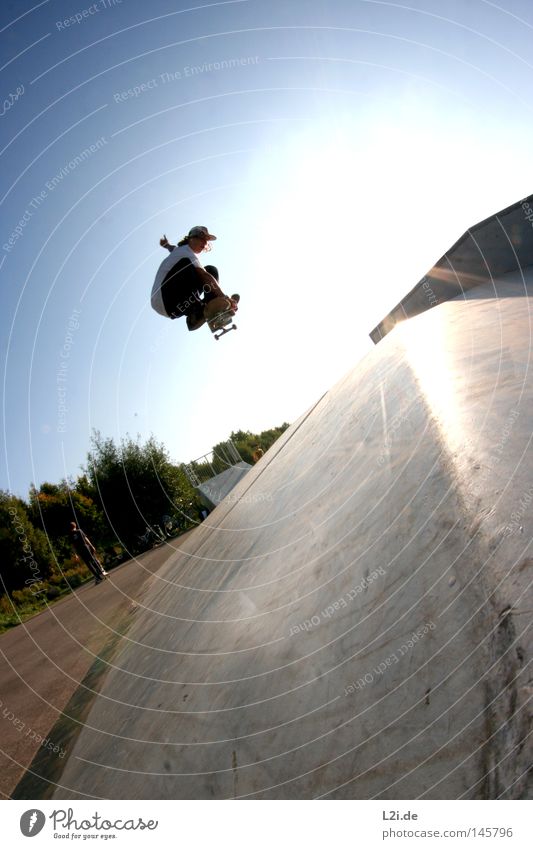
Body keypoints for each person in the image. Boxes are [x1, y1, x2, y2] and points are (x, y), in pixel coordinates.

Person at [151, 226, 237, 331]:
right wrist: (224, 298)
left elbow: (172, 248)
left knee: (204, 271)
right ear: (191, 238)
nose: (205, 243)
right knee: (208, 271)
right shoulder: (187, 253)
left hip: (174, 309)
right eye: (202, 239)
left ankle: (197, 314)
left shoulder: (179, 250)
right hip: (165, 296)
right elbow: (204, 276)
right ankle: (212, 304)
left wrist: (166, 245)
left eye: (207, 241)